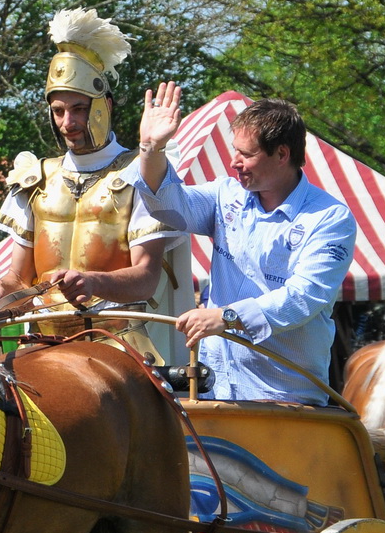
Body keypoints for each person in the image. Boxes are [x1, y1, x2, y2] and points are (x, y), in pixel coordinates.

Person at [123, 84, 357, 404]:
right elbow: (166, 206)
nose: (233, 162)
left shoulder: (330, 218)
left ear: (282, 155)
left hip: (286, 399)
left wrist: (227, 317)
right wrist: (151, 147)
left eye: (245, 154)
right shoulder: (225, 195)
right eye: (235, 150)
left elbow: (305, 298)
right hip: (214, 391)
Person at [0, 9, 181, 360]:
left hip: (118, 344)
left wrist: (94, 282)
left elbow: (146, 278)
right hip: (42, 344)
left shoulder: (140, 174)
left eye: (79, 109)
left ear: (104, 105)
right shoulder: (34, 178)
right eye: (58, 110)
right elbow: (20, 280)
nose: (68, 122)